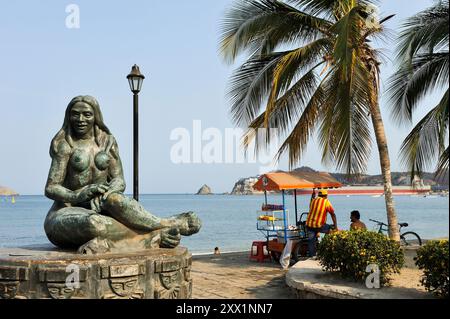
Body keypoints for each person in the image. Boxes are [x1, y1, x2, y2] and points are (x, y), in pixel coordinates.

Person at [44, 96, 201, 254]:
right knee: (94, 223)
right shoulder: (65, 145)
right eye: (75, 114)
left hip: (101, 207)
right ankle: (154, 236)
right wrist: (77, 195)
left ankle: (165, 222)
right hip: (66, 212)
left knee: (115, 199)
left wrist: (109, 192)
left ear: (96, 116)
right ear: (68, 116)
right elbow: (51, 187)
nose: (80, 119)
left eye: (87, 114)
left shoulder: (108, 142)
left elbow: (119, 180)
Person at [305, 189, 338, 257]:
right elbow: (332, 214)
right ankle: (325, 247)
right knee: (330, 230)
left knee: (311, 241)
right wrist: (335, 226)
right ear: (325, 196)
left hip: (309, 224)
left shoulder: (313, 201)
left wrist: (313, 195)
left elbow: (311, 204)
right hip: (319, 225)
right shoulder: (326, 201)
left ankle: (312, 256)